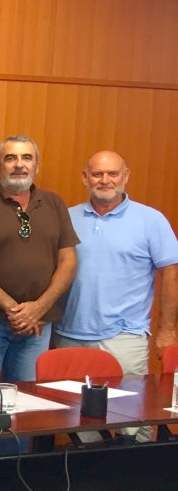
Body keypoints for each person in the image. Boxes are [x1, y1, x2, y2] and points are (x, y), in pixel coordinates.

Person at [0, 135, 78, 387]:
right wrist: (15, 310)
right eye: (10, 158)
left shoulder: (54, 203)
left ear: (37, 166)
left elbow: (68, 261)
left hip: (38, 323)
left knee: (28, 399)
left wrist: (38, 308)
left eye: (26, 158)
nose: (19, 164)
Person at [58, 150, 178, 375]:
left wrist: (168, 330)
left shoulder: (151, 220)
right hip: (67, 336)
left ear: (126, 176)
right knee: (66, 408)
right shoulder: (66, 218)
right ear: (85, 177)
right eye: (97, 174)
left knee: (123, 409)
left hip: (124, 339)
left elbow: (172, 274)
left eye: (113, 173)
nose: (105, 180)